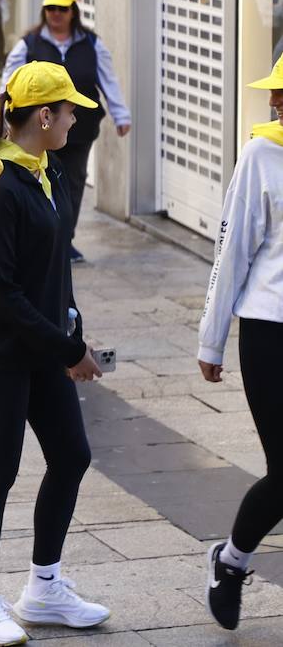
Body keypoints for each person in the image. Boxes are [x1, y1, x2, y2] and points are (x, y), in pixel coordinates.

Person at [0, 62, 109, 645]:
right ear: (44, 116)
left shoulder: (49, 171)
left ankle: (43, 587)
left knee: (70, 454)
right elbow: (1, 293)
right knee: (0, 468)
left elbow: (50, 269)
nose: (74, 118)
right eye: (69, 110)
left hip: (38, 338)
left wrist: (72, 322)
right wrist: (69, 348)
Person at [197, 56, 283, 632]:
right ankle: (231, 563)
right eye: (276, 96)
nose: (273, 104)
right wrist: (212, 339)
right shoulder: (261, 156)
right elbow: (232, 250)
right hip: (269, 330)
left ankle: (230, 562)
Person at [1, 0, 131, 264]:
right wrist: (4, 117)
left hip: (79, 129)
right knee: (38, 180)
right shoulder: (29, 43)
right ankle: (42, 238)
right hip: (39, 130)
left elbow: (108, 79)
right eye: (51, 9)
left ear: (73, 11)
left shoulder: (92, 43)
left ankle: (64, 239)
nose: (56, 14)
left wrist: (121, 115)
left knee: (71, 183)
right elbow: (9, 81)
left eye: (62, 9)